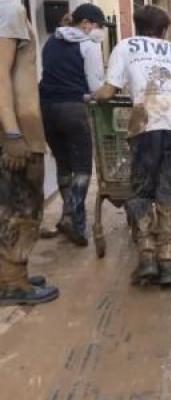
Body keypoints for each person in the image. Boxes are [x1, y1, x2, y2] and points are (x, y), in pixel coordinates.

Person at [94, 5, 171, 287]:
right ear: (164, 30)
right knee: (168, 191)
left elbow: (108, 90)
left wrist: (92, 97)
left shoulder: (125, 46)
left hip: (146, 125)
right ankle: (168, 260)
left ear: (137, 27)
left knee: (140, 191)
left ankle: (148, 258)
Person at [0, 0, 60, 305]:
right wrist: (12, 132)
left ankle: (10, 272)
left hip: (15, 124)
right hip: (17, 128)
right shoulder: (9, 10)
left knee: (9, 205)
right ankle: (12, 282)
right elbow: (0, 77)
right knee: (22, 208)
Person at [38, 3, 107, 246]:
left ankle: (66, 216)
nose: (100, 31)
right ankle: (76, 222)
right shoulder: (88, 46)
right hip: (73, 110)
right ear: (86, 23)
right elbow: (96, 86)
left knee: (64, 164)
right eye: (98, 26)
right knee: (82, 168)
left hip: (46, 109)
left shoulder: (50, 42)